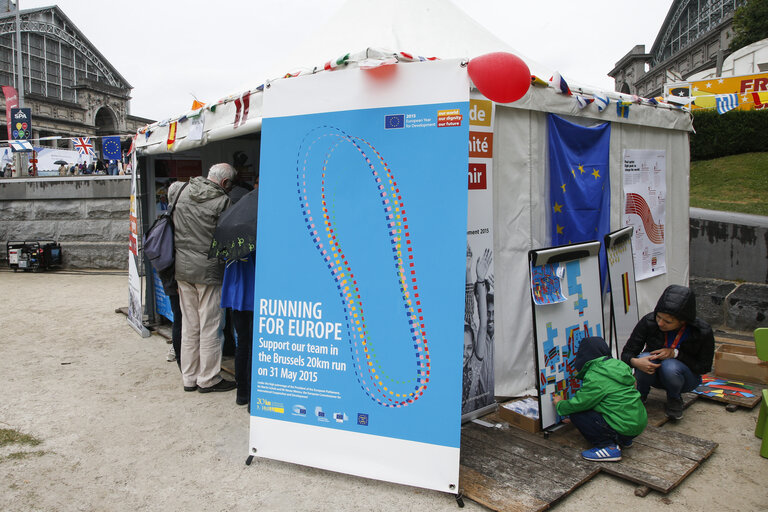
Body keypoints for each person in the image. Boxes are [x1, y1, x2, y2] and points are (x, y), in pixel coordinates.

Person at [174, 163, 237, 393]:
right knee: (210, 326)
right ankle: (208, 378)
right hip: (209, 272)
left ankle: (189, 377)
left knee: (190, 325)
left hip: (182, 269)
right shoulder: (223, 201)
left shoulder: (181, 192)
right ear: (224, 183)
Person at [621, 284, 715, 420]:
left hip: (684, 379)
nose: (660, 323)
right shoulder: (649, 321)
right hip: (654, 374)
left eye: (668, 321)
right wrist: (635, 362)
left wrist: (676, 354)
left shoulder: (702, 331)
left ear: (683, 321)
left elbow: (704, 367)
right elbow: (627, 353)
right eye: (658, 317)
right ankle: (641, 394)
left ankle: (674, 398)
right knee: (645, 358)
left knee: (670, 366)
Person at [553, 337, 647, 462]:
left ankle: (608, 446)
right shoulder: (619, 366)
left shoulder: (596, 374)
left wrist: (560, 404)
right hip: (637, 423)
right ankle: (624, 440)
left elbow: (581, 403)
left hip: (623, 427)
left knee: (577, 413)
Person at [159, 181, 185, 370]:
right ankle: (180, 357)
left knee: (180, 317)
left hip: (170, 276)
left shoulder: (165, 217)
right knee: (182, 319)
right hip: (175, 277)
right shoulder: (175, 219)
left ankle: (179, 356)